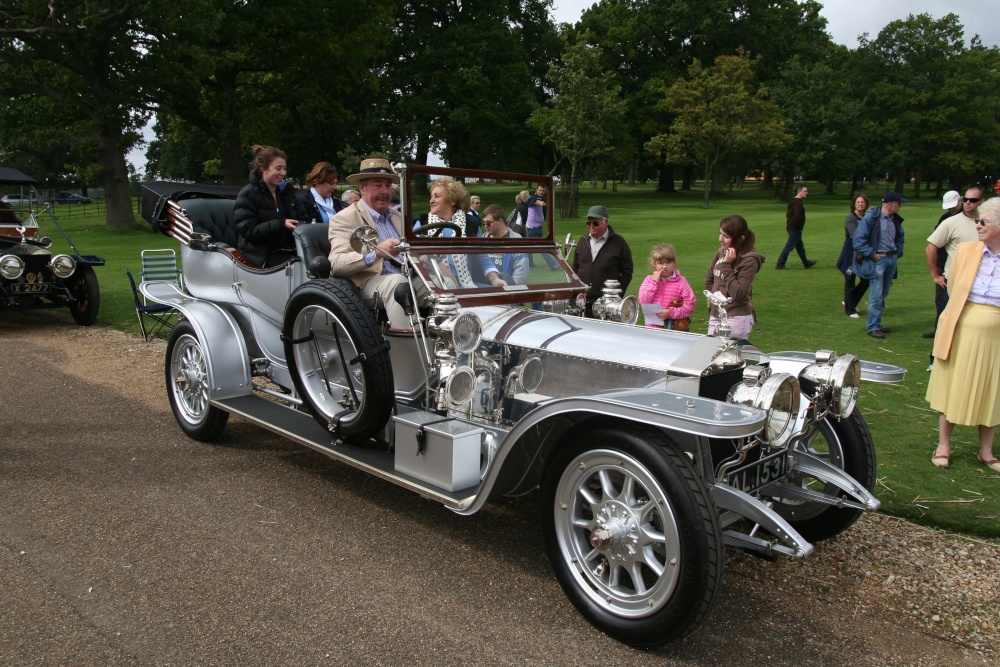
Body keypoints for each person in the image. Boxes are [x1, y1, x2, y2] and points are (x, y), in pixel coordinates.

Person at [926, 196, 1000, 473]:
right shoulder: (967, 251)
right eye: (977, 220)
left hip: (997, 337)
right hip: (962, 327)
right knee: (953, 388)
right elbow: (955, 290)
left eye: (984, 222)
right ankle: (943, 446)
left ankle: (986, 451)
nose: (977, 225)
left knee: (993, 391)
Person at [328, 157, 428, 331]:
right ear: (362, 188)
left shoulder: (397, 217)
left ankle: (456, 344)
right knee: (398, 284)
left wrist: (425, 256)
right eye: (377, 184)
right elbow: (336, 263)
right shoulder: (344, 218)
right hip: (368, 282)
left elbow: (410, 252)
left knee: (441, 283)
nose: (384, 191)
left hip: (407, 277)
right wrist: (378, 252)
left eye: (388, 185)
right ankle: (409, 349)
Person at [413, 177, 506, 288]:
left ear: (452, 201)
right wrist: (441, 267)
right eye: (431, 196)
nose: (431, 200)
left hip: (467, 283)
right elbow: (416, 255)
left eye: (437, 196)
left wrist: (495, 279)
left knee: (500, 296)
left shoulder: (470, 223)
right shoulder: (422, 223)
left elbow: (481, 254)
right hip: (436, 286)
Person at [234, 144, 310, 268]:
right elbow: (248, 230)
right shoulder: (248, 195)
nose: (283, 173)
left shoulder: (287, 194)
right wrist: (281, 224)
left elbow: (303, 218)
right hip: (259, 254)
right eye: (278, 168)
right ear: (264, 169)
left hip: (288, 249)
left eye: (284, 169)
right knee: (301, 266)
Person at [925, 186, 983, 338]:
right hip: (955, 281)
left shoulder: (988, 222)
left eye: (973, 200)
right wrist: (935, 275)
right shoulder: (950, 222)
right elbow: (931, 247)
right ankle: (935, 358)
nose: (968, 202)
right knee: (945, 321)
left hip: (981, 281)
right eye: (966, 199)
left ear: (981, 202)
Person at [852, 191, 906, 339]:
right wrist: (872, 254)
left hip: (890, 258)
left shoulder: (894, 219)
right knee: (876, 294)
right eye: (899, 203)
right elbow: (858, 241)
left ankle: (877, 323)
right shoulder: (872, 218)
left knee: (883, 293)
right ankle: (872, 327)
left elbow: (900, 237)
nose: (900, 206)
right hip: (878, 260)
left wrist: (898, 252)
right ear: (890, 204)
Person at [704, 215, 765, 343]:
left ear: (741, 239)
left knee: (729, 359)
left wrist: (726, 265)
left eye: (726, 236)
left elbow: (737, 293)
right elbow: (709, 282)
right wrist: (719, 300)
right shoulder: (721, 252)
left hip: (736, 317)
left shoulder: (749, 260)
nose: (720, 239)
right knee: (712, 356)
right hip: (716, 315)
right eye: (720, 234)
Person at [571, 205, 634, 317]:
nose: (591, 226)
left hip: (606, 305)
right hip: (581, 303)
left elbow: (627, 271)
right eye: (588, 223)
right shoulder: (582, 241)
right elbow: (575, 268)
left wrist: (617, 295)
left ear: (606, 222)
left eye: (595, 223)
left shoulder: (619, 242)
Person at [638, 244, 696, 329]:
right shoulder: (649, 280)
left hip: (673, 328)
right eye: (661, 263)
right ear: (655, 264)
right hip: (652, 328)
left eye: (668, 262)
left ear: (674, 263)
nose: (664, 267)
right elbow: (643, 300)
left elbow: (690, 305)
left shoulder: (681, 281)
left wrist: (670, 313)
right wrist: (654, 282)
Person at [836, 193, 871, 319]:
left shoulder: (867, 217)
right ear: (854, 204)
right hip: (851, 252)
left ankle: (849, 301)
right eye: (858, 202)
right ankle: (850, 310)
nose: (860, 204)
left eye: (862, 202)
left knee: (866, 280)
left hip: (863, 253)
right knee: (850, 279)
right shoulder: (850, 218)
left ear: (866, 204)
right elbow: (856, 235)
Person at [481, 204, 528, 285]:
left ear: (500, 221)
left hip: (505, 289)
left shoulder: (517, 242)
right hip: (483, 288)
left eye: (488, 223)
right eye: (484, 223)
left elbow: (521, 273)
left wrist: (509, 290)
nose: (485, 226)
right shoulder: (482, 240)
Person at [775, 184, 817, 270]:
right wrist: (800, 227)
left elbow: (788, 215)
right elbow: (797, 217)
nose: (807, 193)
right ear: (799, 192)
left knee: (800, 246)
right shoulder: (798, 203)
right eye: (805, 191)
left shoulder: (793, 202)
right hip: (795, 228)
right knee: (789, 246)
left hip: (792, 227)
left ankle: (806, 263)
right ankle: (780, 264)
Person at [525, 184, 559, 270]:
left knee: (529, 247)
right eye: (540, 190)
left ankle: (529, 264)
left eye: (543, 191)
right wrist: (540, 203)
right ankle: (552, 265)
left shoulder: (541, 198)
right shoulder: (532, 198)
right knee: (542, 247)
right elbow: (535, 201)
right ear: (537, 190)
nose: (541, 192)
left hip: (536, 227)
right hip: (533, 228)